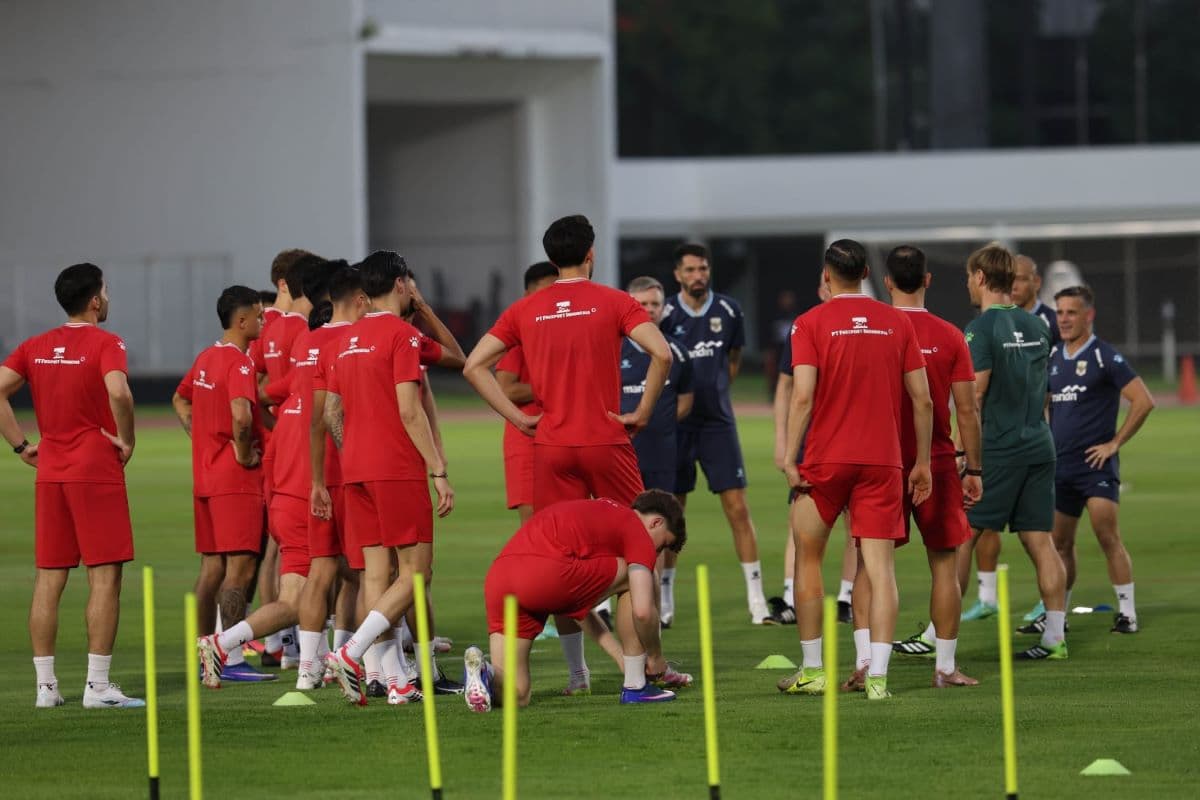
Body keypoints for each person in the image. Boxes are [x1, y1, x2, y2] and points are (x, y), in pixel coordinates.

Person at [462, 215, 672, 693]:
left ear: (552, 258)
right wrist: (641, 410)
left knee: (558, 558)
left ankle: (578, 672)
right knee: (635, 553)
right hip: (606, 442)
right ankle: (643, 675)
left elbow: (475, 365)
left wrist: (517, 419)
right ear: (591, 253)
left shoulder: (526, 308)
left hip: (551, 447)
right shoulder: (615, 301)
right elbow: (662, 353)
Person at [777, 239, 933, 700]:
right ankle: (878, 678)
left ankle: (813, 670)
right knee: (880, 569)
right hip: (883, 460)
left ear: (827, 275)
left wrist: (789, 456)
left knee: (808, 558)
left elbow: (802, 395)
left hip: (826, 459)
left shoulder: (809, 323)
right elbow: (922, 399)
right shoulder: (897, 322)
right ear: (866, 271)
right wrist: (921, 462)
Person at [0, 263, 143, 709]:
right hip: (94, 469)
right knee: (105, 577)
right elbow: (119, 392)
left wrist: (21, 445)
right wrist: (127, 438)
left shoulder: (35, 346)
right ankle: (98, 687)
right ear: (96, 300)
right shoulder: (106, 343)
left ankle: (46, 689)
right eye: (106, 288)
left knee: (49, 578)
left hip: (51, 473)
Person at [323, 251, 454, 706]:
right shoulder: (402, 335)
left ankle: (395, 680)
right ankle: (352, 652)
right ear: (401, 285)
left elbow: (331, 411)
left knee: (377, 575)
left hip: (354, 470)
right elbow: (409, 408)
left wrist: (352, 452)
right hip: (395, 469)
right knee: (416, 575)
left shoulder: (345, 339)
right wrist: (437, 469)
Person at [869, 246, 983, 688]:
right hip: (935, 460)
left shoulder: (876, 331)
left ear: (888, 283)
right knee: (944, 564)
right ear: (928, 280)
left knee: (870, 566)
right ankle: (945, 667)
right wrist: (973, 469)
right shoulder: (951, 335)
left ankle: (867, 663)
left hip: (879, 461)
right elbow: (967, 409)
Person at [462, 491, 687, 711]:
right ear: (656, 522)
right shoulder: (636, 528)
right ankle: (636, 686)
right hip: (545, 575)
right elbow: (642, 612)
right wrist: (656, 659)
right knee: (641, 577)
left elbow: (573, 605)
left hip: (501, 577)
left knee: (517, 694)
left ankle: (484, 672)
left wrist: (620, 657)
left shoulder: (599, 517)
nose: (657, 553)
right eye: (662, 546)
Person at [959, 242, 1069, 661]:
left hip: (1000, 448)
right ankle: (1055, 638)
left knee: (962, 538)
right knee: (1041, 542)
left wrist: (963, 456)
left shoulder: (981, 329)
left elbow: (975, 397)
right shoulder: (1039, 325)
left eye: (970, 277)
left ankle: (938, 637)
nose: (969, 284)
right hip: (1040, 444)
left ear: (982, 278)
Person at [660, 243, 771, 625]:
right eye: (690, 270)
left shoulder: (728, 310)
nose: (698, 276)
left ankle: (757, 601)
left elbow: (734, 359)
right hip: (676, 424)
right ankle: (665, 599)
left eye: (703, 269)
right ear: (678, 275)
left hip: (718, 424)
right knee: (671, 515)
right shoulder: (665, 314)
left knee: (738, 508)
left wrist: (718, 392)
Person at [1035, 285, 1153, 634]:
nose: (1065, 319)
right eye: (1060, 313)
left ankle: (1128, 614)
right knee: (1060, 543)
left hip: (1096, 467)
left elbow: (1143, 400)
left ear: (1089, 315)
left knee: (1107, 536)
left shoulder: (1104, 356)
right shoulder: (1053, 356)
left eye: (1072, 312)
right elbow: (1043, 401)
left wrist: (1114, 443)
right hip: (1061, 467)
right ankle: (1059, 616)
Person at [172, 285, 276, 682]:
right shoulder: (240, 363)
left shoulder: (205, 358)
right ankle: (228, 657)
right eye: (258, 315)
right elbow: (244, 416)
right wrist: (241, 451)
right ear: (242, 320)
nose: (263, 321)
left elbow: (179, 400)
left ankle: (202, 651)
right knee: (241, 568)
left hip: (205, 477)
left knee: (211, 567)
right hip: (235, 480)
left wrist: (201, 437)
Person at [770, 275, 859, 626]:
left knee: (855, 525)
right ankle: (792, 596)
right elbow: (787, 388)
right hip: (815, 440)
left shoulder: (854, 330)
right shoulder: (805, 327)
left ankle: (846, 599)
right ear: (822, 287)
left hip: (843, 440)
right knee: (801, 520)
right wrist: (783, 442)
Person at [298, 264, 370, 689]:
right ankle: (372, 666)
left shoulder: (307, 342)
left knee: (321, 569)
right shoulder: (353, 341)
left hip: (317, 471)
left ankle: (308, 671)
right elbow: (334, 413)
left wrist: (315, 480)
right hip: (354, 470)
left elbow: (310, 417)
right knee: (372, 572)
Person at [620, 276, 694, 627]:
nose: (649, 310)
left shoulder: (675, 350)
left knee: (658, 529)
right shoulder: (614, 347)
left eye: (655, 304)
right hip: (621, 454)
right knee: (618, 525)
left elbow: (686, 400)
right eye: (642, 303)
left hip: (663, 452)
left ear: (664, 308)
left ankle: (661, 601)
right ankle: (612, 599)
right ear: (629, 304)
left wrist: (654, 421)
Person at [495, 261, 559, 524]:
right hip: (528, 440)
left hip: (565, 439)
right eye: (543, 293)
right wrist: (555, 388)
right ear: (527, 296)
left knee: (569, 523)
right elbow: (506, 389)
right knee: (535, 526)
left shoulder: (567, 332)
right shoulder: (519, 335)